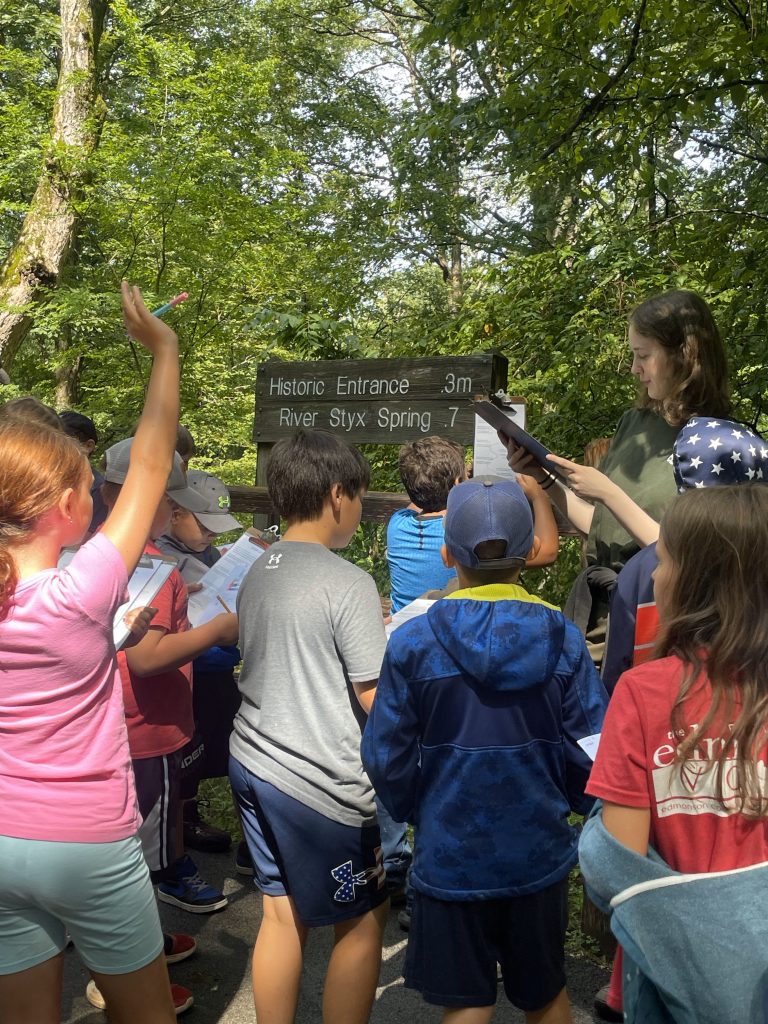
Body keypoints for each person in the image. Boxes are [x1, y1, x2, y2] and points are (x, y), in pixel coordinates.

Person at [363, 476, 609, 1024]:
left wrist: (413, 808)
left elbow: (385, 754)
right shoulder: (562, 638)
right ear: (527, 554)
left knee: (466, 1003)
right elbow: (593, 747)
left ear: (448, 553)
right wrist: (566, 802)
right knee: (544, 994)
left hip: (451, 853)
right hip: (537, 852)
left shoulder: (413, 643)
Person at [0, 283, 181, 1023]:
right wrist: (163, 352)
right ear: (66, 507)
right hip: (89, 844)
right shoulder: (82, 593)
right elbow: (150, 464)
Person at [581, 485, 768, 1023]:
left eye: (664, 561)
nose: (655, 576)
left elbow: (617, 869)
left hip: (667, 980)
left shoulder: (642, 694)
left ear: (696, 583)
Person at [229, 429, 389, 1024]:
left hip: (252, 757)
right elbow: (374, 695)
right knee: (361, 919)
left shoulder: (257, 568)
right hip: (319, 779)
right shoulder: (347, 581)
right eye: (361, 499)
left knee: (280, 910)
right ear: (337, 494)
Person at [100, 441, 239, 919]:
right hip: (150, 723)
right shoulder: (154, 566)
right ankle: (145, 938)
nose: (176, 506)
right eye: (168, 497)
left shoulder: (98, 551)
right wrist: (216, 630)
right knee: (151, 828)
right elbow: (147, 657)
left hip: (115, 718)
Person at [155, 470, 243, 856]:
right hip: (184, 672)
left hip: (218, 668)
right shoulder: (161, 561)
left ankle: (188, 817)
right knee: (185, 752)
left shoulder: (206, 553)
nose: (212, 535)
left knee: (216, 742)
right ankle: (180, 826)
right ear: (175, 513)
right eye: (205, 526)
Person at [60, 409, 109, 535]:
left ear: (88, 446)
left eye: (64, 442)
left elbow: (85, 540)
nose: (55, 447)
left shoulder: (98, 489)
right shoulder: (50, 478)